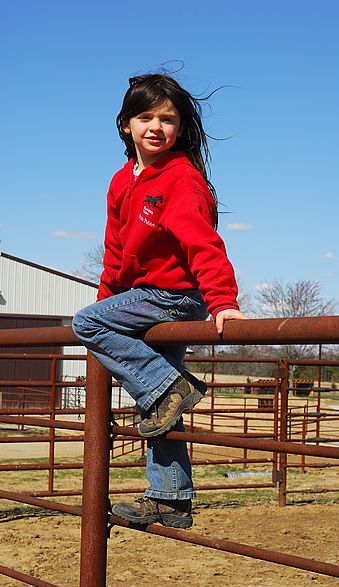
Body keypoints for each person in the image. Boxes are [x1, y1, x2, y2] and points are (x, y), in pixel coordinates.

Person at [72, 72, 249, 529]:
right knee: (158, 404)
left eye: (167, 119)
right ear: (125, 125)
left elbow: (203, 244)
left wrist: (222, 300)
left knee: (87, 325)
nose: (156, 126)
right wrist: (107, 298)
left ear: (181, 129)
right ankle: (170, 498)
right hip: (144, 297)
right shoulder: (120, 182)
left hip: (176, 297)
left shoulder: (180, 179)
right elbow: (115, 253)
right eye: (144, 116)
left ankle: (168, 387)